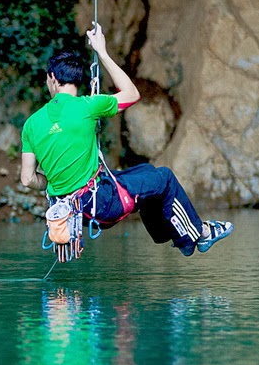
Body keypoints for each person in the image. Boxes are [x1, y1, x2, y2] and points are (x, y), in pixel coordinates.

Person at [20, 23, 233, 257]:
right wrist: (102, 52)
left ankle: (168, 234)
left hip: (74, 212)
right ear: (78, 79)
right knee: (164, 178)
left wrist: (56, 179)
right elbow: (132, 94)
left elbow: (28, 179)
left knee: (147, 172)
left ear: (52, 78)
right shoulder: (87, 106)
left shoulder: (32, 124)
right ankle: (198, 234)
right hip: (101, 203)